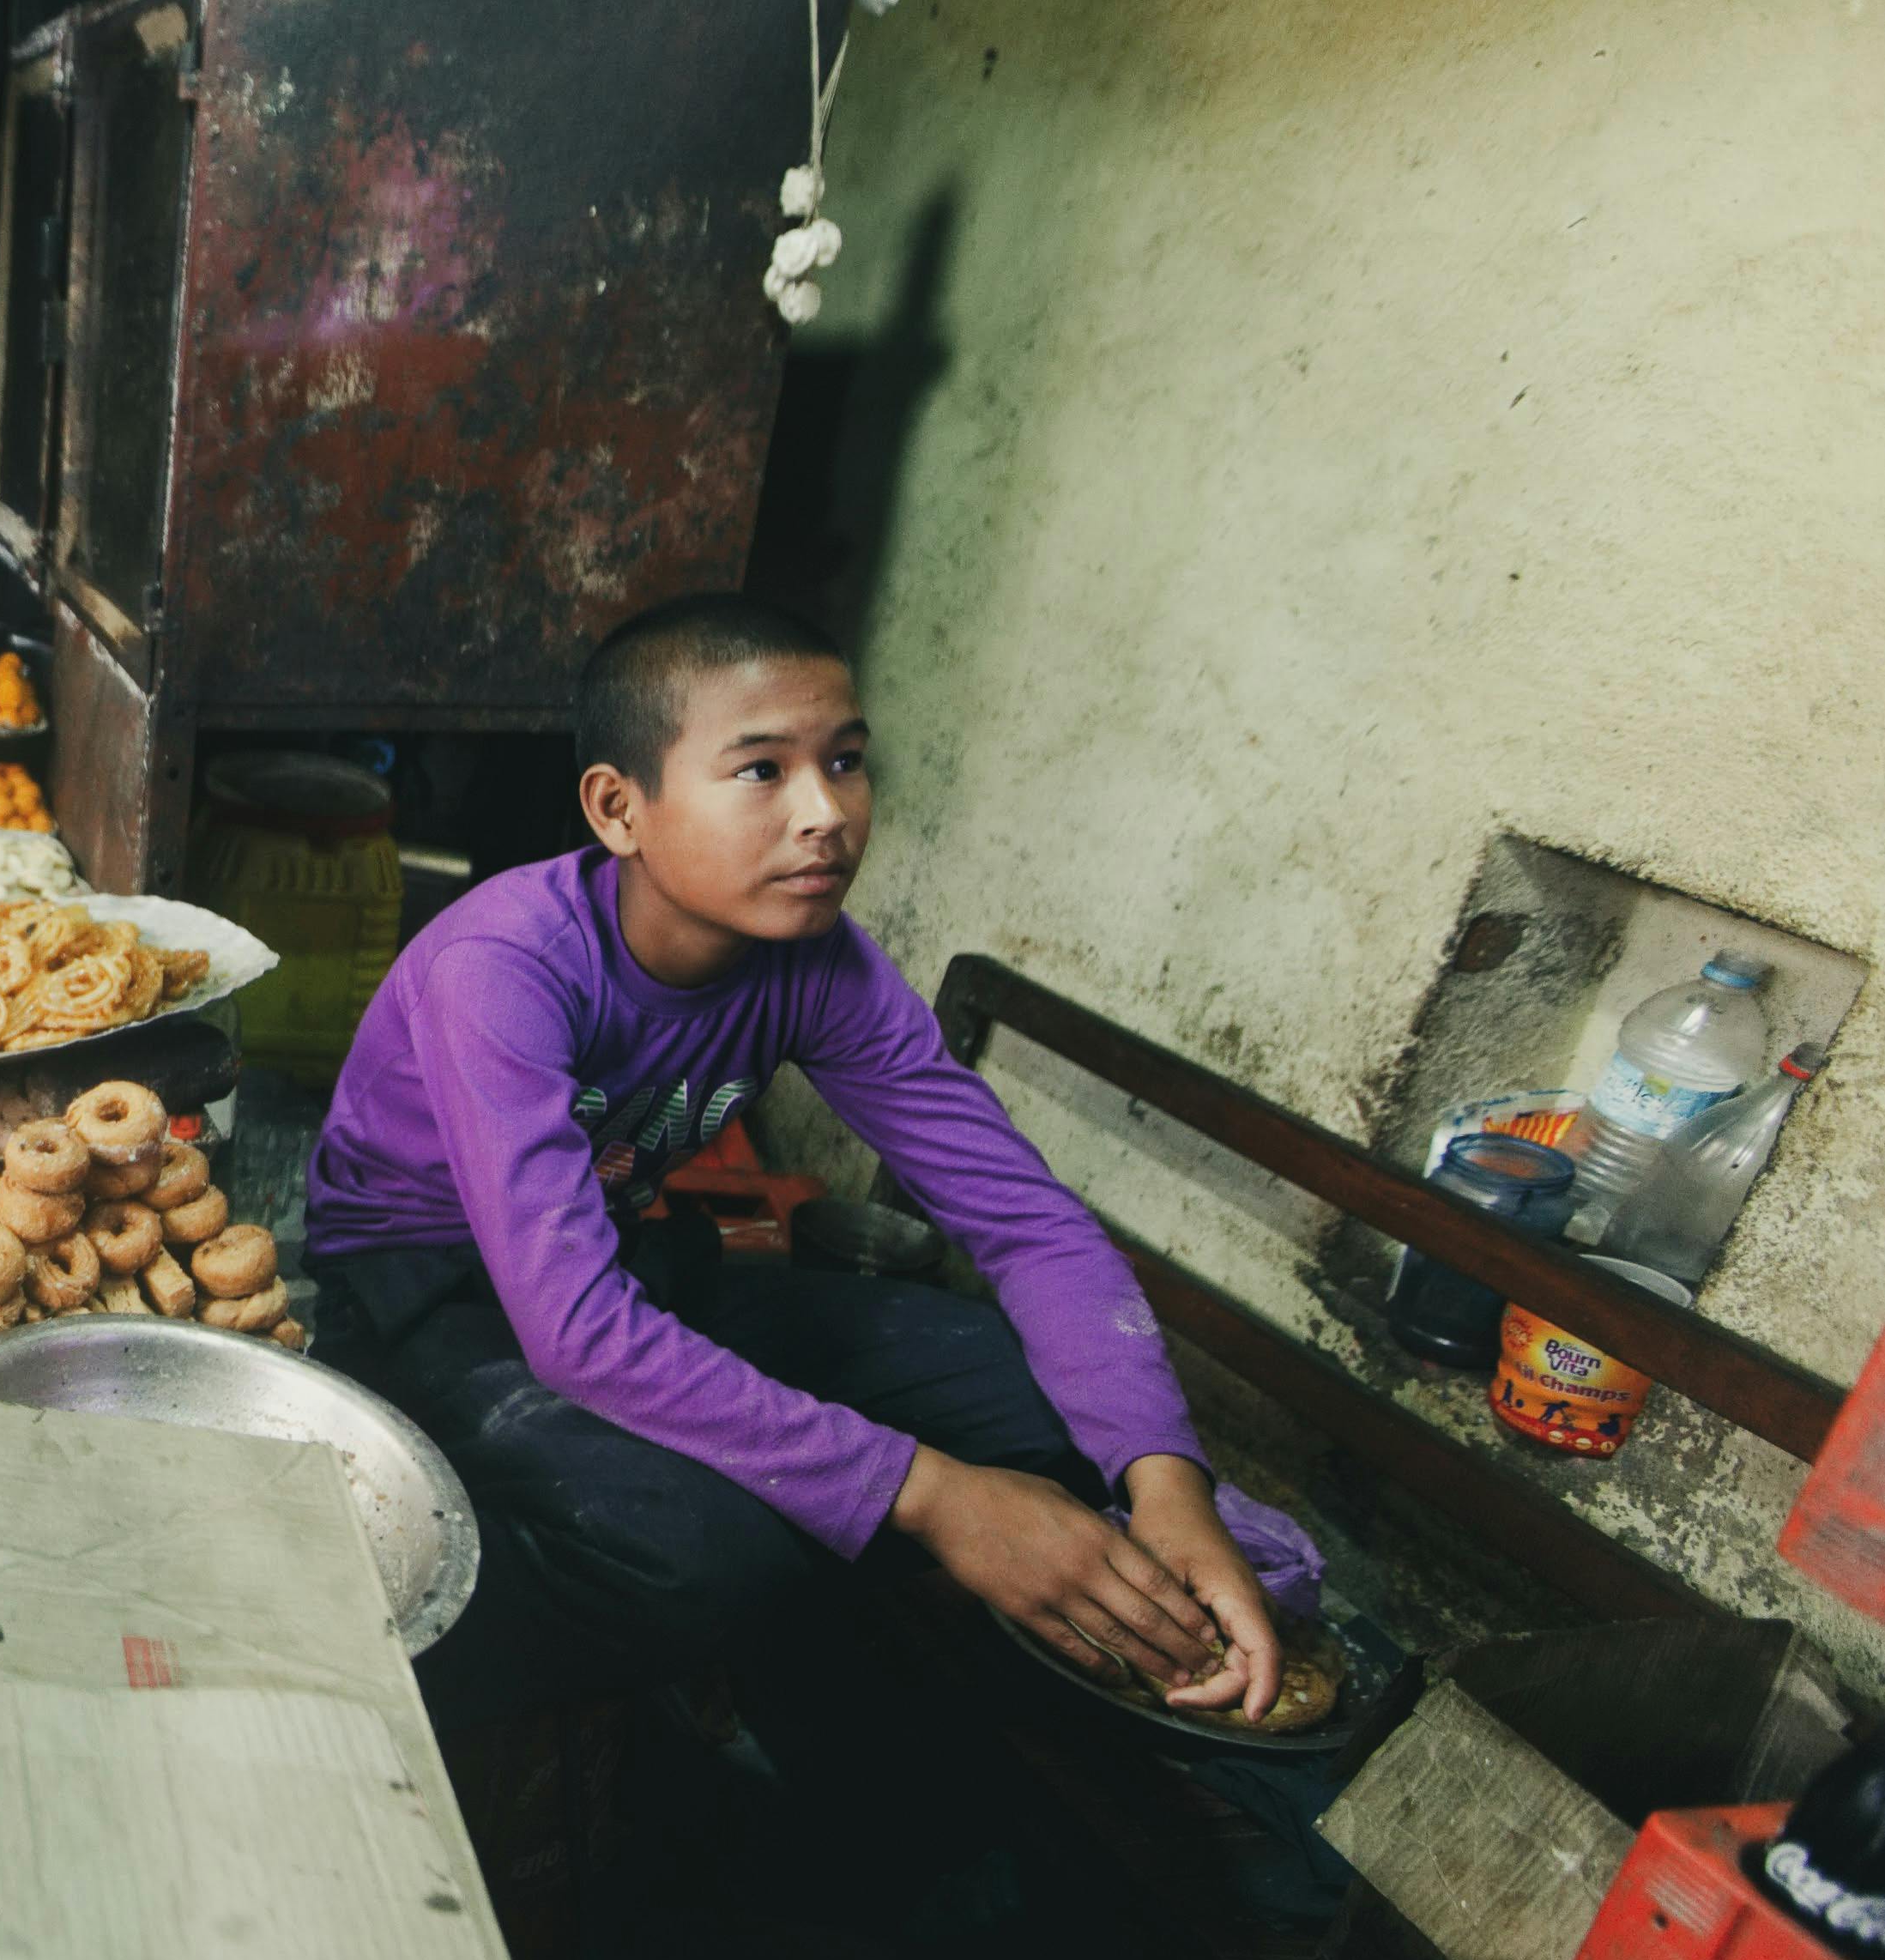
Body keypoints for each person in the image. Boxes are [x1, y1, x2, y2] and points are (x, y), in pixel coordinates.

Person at [307, 593, 1320, 1736]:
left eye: (844, 762)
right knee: (701, 1557)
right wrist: (932, 1496)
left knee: (1044, 1401)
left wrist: (1167, 1484)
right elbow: (574, 1332)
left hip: (620, 1267)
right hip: (424, 1293)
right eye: (761, 771)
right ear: (619, 809)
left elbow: (1030, 1228)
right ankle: (380, 1670)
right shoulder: (506, 963)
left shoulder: (820, 964)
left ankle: (808, 1604)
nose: (826, 814)